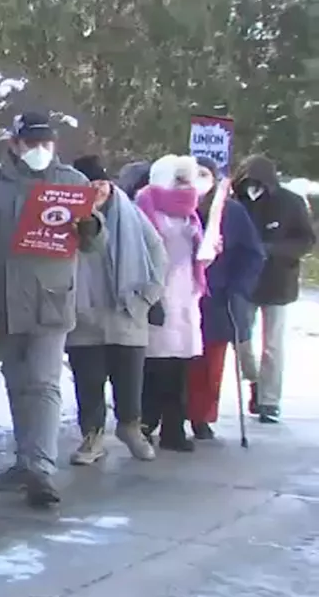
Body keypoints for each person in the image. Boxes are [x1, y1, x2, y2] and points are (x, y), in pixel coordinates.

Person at [0, 112, 107, 508]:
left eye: (47, 143)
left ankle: (40, 468)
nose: (40, 150)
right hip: (5, 297)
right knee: (17, 382)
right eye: (31, 143)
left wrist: (90, 226)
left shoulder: (72, 183)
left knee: (43, 383)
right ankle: (25, 460)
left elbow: (95, 242)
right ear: (15, 144)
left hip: (52, 298)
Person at [64, 155, 168, 465]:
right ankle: (92, 436)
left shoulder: (132, 215)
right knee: (89, 380)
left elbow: (157, 254)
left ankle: (130, 428)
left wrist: (148, 295)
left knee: (129, 378)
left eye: (101, 184)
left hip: (127, 311)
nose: (97, 190)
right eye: (89, 185)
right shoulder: (67, 216)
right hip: (85, 313)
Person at [232, 154, 316, 423]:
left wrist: (273, 251)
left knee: (273, 344)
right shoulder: (235, 201)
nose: (253, 189)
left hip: (277, 280)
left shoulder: (290, 202)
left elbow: (305, 240)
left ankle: (269, 400)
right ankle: (255, 378)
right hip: (243, 280)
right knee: (240, 340)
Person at [186, 156, 265, 439]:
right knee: (175, 361)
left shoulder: (231, 211)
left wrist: (239, 286)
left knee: (210, 362)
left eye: (205, 174)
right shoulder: (175, 206)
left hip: (218, 297)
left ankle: (201, 416)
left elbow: (253, 253)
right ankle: (166, 412)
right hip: (181, 296)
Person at [134, 155, 206, 452]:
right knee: (153, 364)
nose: (183, 185)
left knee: (179, 365)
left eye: (186, 179)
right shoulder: (145, 207)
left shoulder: (191, 214)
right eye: (177, 178)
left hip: (185, 294)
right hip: (155, 292)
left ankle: (174, 428)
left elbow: (195, 251)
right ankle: (145, 422)